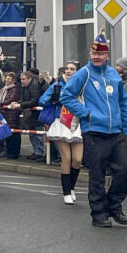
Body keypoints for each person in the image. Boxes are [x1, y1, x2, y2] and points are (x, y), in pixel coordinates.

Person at [60, 33, 127, 228]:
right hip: (94, 131)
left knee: (124, 169)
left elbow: (123, 102)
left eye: (100, 54)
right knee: (98, 174)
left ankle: (114, 206)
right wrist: (85, 113)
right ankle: (99, 214)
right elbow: (66, 96)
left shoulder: (114, 75)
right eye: (93, 54)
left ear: (107, 56)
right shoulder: (84, 74)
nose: (96, 57)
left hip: (116, 131)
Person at [41, 62, 83, 204]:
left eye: (72, 69)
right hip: (62, 121)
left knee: (77, 159)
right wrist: (52, 98)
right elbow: (42, 100)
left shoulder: (82, 86)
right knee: (67, 158)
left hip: (77, 123)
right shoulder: (57, 86)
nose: (69, 71)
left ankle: (71, 187)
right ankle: (66, 192)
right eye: (67, 69)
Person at [10, 71, 45, 161]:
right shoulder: (25, 87)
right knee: (33, 134)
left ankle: (39, 152)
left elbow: (34, 101)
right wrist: (18, 102)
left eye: (24, 79)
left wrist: (20, 105)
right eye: (21, 79)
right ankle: (36, 151)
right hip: (31, 114)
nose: (22, 81)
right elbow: (25, 99)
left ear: (29, 79)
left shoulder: (34, 86)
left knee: (38, 134)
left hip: (37, 114)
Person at [0, 71, 21, 159]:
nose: (7, 80)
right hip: (5, 113)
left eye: (9, 79)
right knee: (7, 133)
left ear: (13, 80)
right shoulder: (4, 89)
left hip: (11, 114)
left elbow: (11, 99)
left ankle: (13, 152)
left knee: (13, 134)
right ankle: (7, 151)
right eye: (6, 78)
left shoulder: (14, 89)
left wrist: (0, 103)